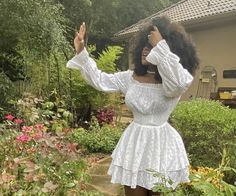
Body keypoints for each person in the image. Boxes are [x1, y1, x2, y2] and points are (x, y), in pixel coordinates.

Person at [66, 16, 199, 196]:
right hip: (135, 144)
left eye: (151, 45)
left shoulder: (172, 83)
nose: (146, 49)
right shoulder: (130, 78)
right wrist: (81, 51)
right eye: (145, 45)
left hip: (162, 146)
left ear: (168, 48)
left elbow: (179, 83)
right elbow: (100, 79)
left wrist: (161, 47)